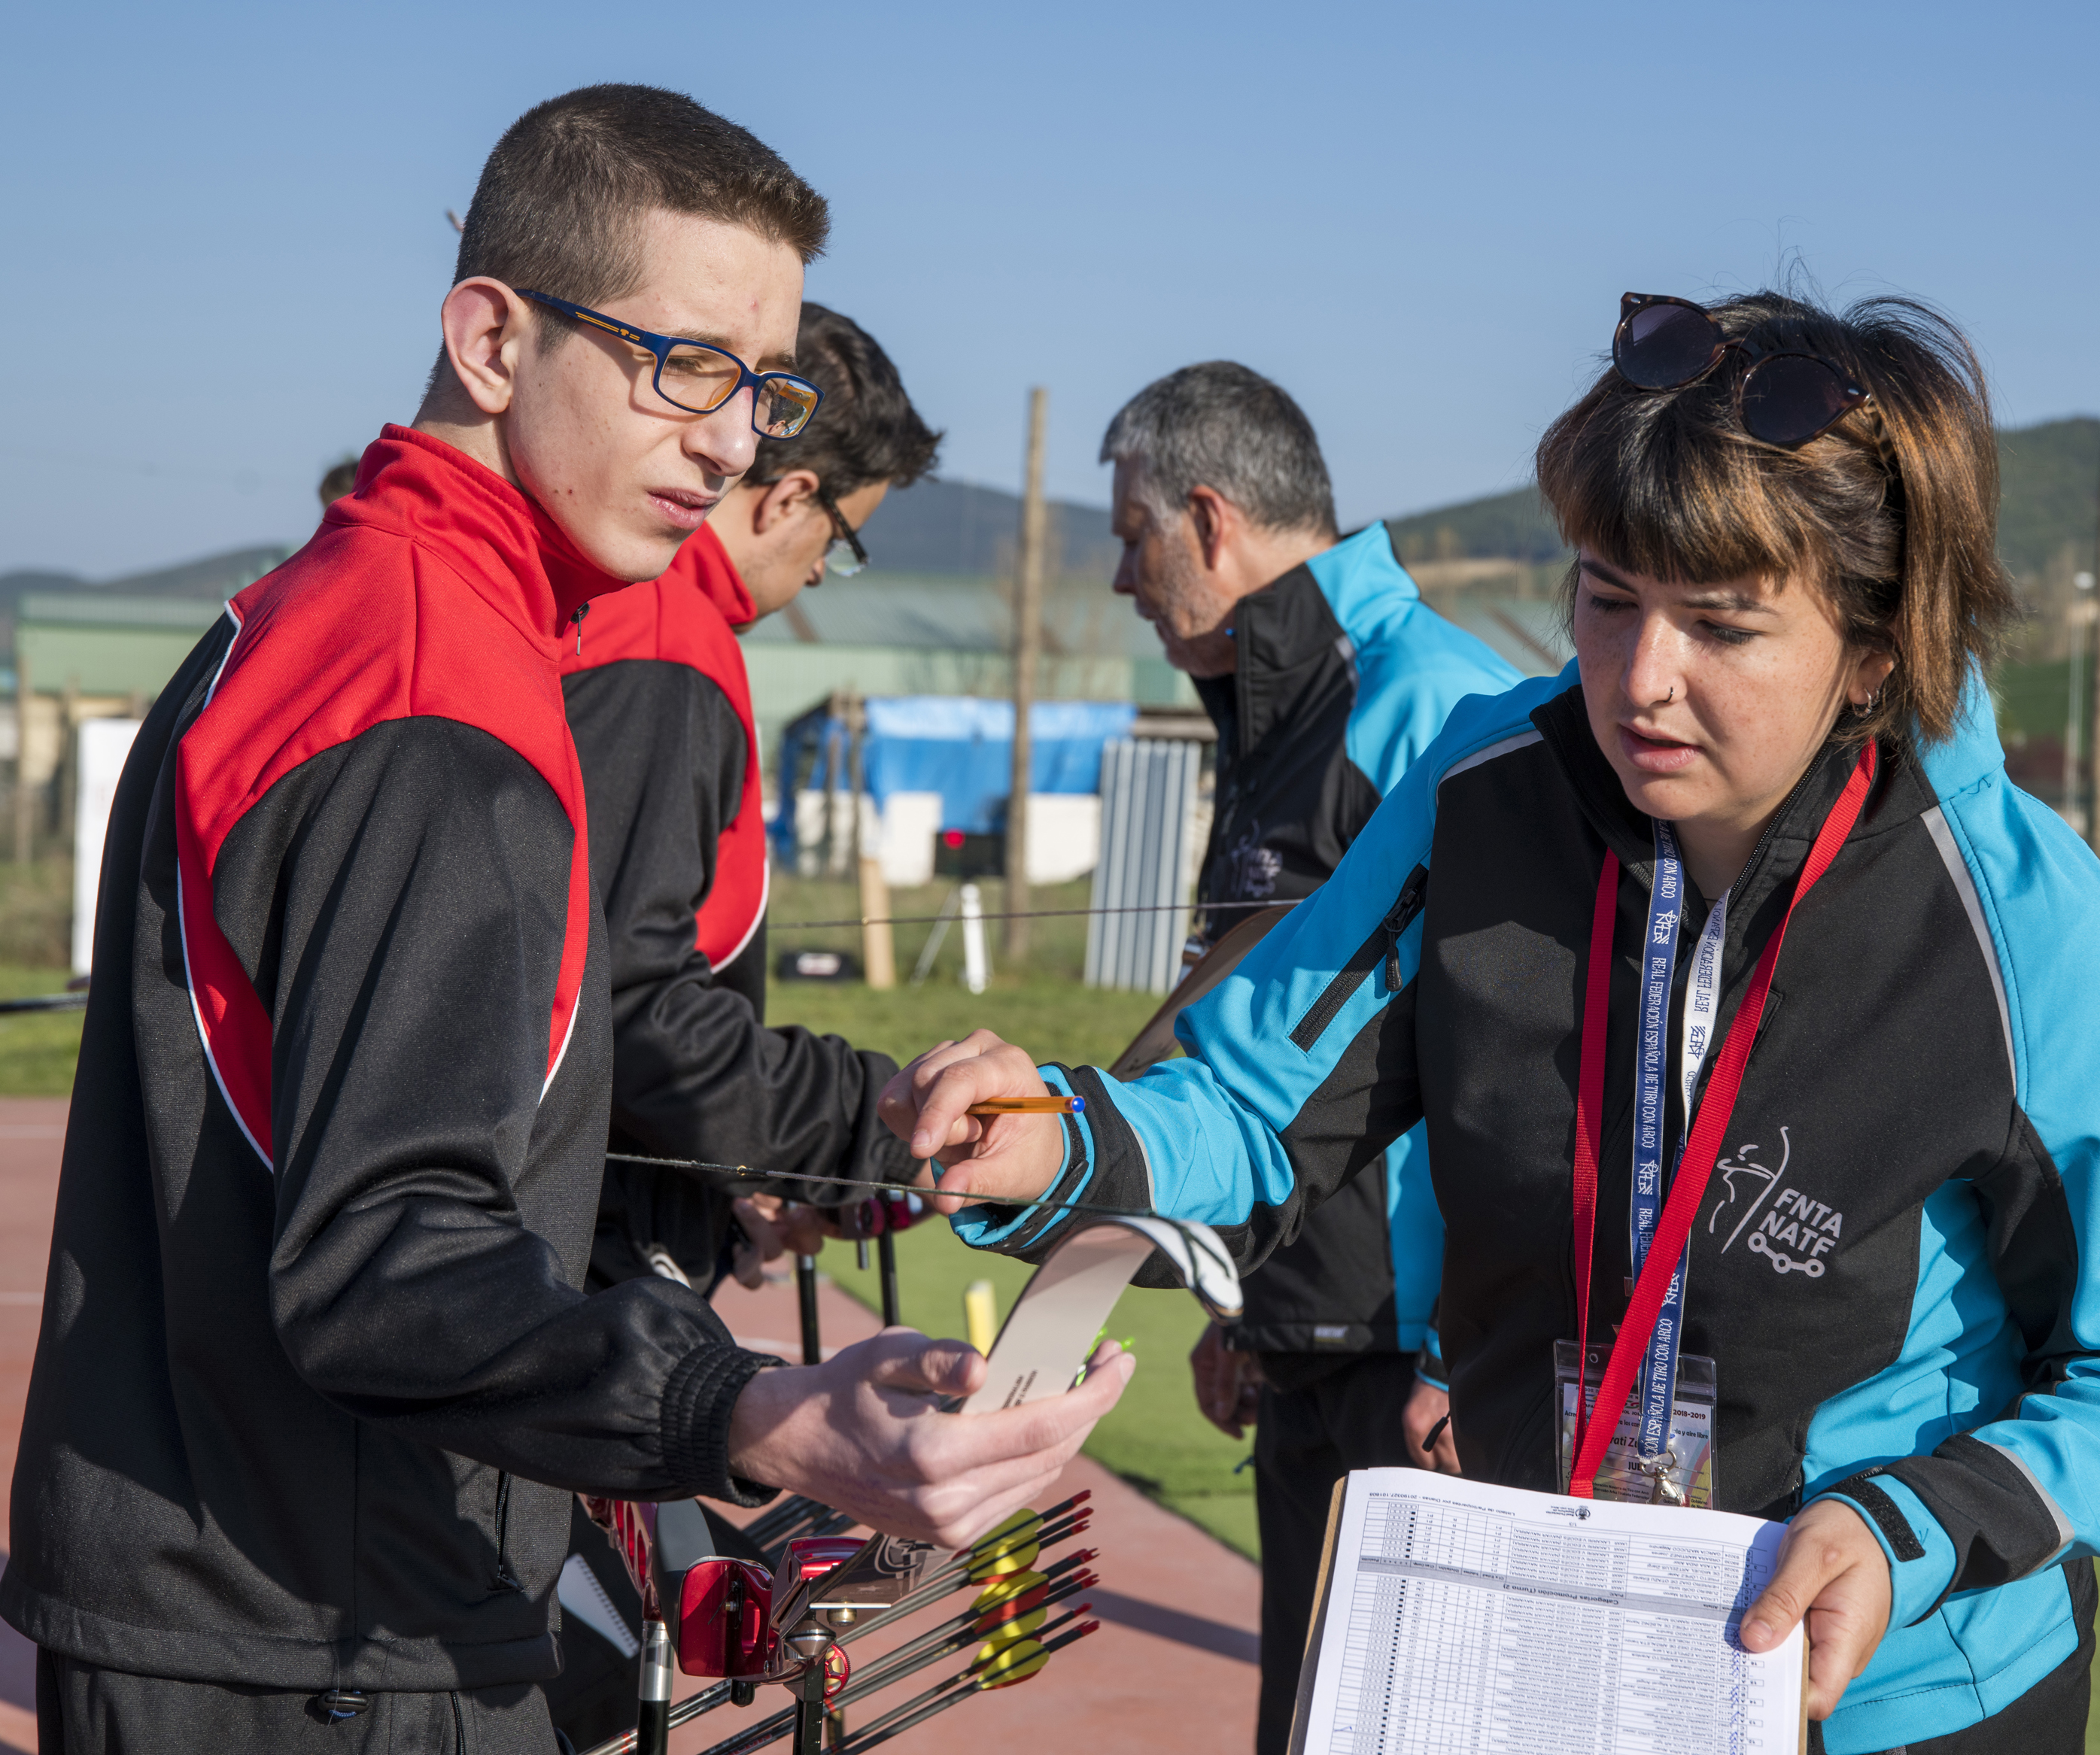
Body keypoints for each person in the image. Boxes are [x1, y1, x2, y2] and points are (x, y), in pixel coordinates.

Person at [886, 290, 2100, 1753]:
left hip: (1899, 1703)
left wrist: (1903, 1528)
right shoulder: (1479, 793)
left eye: (1722, 624)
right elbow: (1253, 1109)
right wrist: (1057, 1137)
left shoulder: (2045, 940)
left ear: (1874, 649)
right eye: (1608, 598)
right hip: (1542, 1653)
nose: (1640, 679)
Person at [4, 85, 1129, 1752]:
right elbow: (385, 1259)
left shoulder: (372, 609)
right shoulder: (428, 692)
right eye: (686, 367)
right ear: (490, 340)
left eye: (764, 387)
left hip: (272, 1582)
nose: (736, 444)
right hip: (321, 1624)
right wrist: (754, 1406)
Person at [1099, 361, 1523, 1753]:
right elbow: (1275, 1047)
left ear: (1210, 519)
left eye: (1134, 535)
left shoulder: (1434, 701)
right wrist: (1245, 1304)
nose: (1121, 577)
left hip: (1420, 1371)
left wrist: (1466, 1348)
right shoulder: (1273, 712)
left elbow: (1519, 1068)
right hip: (1306, 1343)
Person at [543, 302, 946, 1744]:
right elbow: (629, 1008)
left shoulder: (622, 616)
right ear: (787, 493)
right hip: (573, 1268)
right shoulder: (666, 641)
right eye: (841, 538)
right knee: (603, 1665)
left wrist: (738, 1175)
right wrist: (870, 1128)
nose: (822, 570)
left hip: (589, 1226)